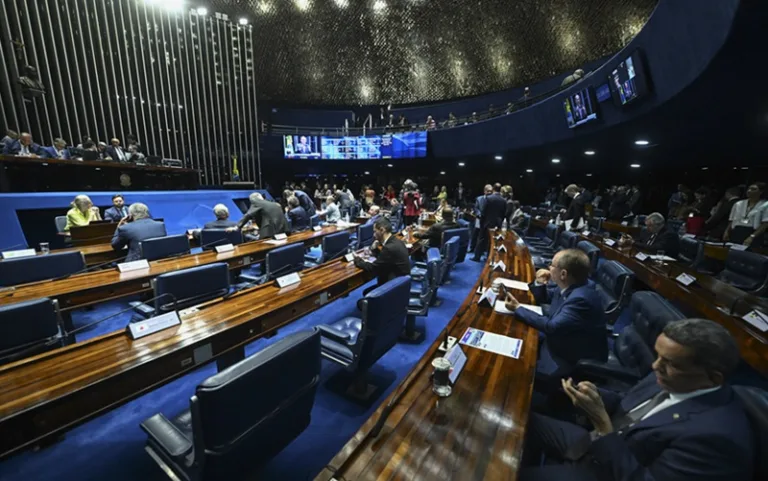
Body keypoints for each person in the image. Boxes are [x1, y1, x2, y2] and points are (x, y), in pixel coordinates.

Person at [519, 318, 754, 481]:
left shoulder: (716, 438)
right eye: (658, 356)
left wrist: (602, 424)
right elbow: (631, 404)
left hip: (606, 471)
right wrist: (594, 395)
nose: (655, 366)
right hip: (597, 445)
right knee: (520, 415)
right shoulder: (671, 377)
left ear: (713, 378)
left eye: (670, 363)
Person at [504, 249, 607, 381]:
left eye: (552, 265)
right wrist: (539, 282)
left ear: (563, 274)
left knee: (515, 370)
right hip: (559, 340)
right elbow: (547, 297)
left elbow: (552, 327)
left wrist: (518, 308)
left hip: (568, 357)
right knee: (516, 334)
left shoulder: (581, 299)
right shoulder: (573, 284)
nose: (549, 268)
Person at [353, 217, 411, 296]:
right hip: (400, 284)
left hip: (394, 288)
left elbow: (373, 269)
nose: (373, 235)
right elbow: (385, 259)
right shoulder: (396, 241)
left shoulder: (389, 248)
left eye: (375, 231)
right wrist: (375, 249)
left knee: (366, 294)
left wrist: (357, 260)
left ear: (382, 230)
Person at [723, 182, 767, 247]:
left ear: (761, 192)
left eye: (753, 189)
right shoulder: (738, 204)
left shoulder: (765, 204)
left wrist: (752, 236)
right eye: (749, 189)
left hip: (753, 231)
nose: (749, 191)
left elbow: (765, 223)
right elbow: (732, 220)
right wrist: (727, 231)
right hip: (737, 231)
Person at [471, 184, 506, 262]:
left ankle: (477, 257)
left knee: (481, 239)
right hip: (497, 224)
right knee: (492, 242)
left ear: (493, 188)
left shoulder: (488, 198)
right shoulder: (503, 200)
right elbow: (504, 214)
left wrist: (482, 222)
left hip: (486, 223)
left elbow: (483, 211)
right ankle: (489, 258)